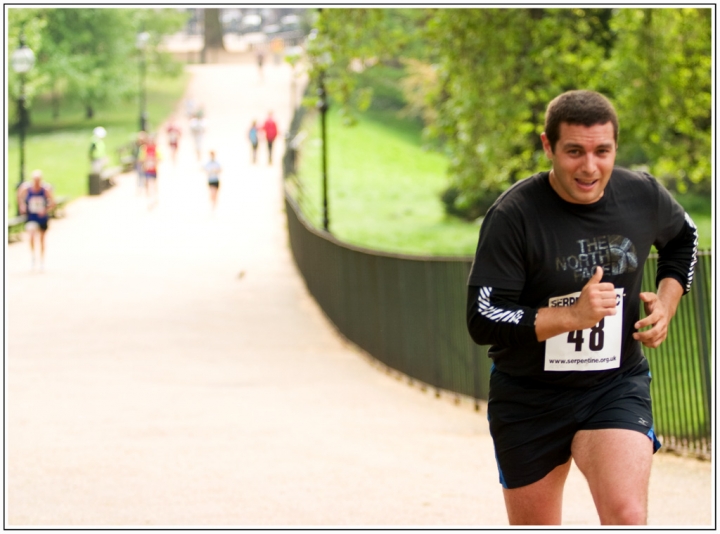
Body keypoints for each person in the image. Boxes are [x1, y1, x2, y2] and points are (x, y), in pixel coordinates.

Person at [466, 90, 697, 526]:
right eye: (574, 151)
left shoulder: (641, 195)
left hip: (613, 386)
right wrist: (571, 317)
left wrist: (666, 302)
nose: (590, 167)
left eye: (602, 151)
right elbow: (483, 316)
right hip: (528, 396)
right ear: (548, 146)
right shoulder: (514, 216)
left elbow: (684, 237)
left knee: (627, 515)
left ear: (614, 148)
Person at [17, 169, 55, 271]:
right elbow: (19, 196)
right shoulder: (27, 188)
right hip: (31, 217)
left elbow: (52, 203)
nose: (37, 182)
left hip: (42, 217)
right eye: (35, 180)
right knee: (32, 235)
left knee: (42, 239)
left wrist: (45, 209)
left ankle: (42, 260)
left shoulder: (45, 189)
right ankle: (33, 257)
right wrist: (22, 206)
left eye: (38, 180)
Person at [139, 134, 161, 202]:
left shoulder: (156, 148)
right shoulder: (144, 148)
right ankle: (149, 196)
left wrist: (155, 160)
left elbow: (160, 158)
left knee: (154, 183)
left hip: (154, 169)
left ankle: (155, 196)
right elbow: (141, 158)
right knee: (148, 182)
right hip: (147, 169)